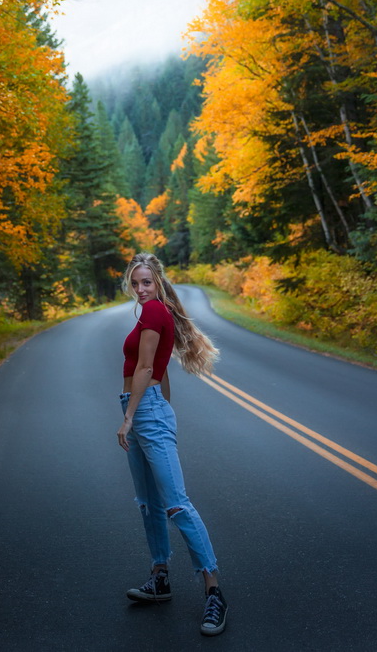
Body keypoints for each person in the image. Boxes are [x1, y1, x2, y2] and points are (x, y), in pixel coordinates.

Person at [117, 252, 228, 636]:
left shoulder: (152, 313)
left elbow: (146, 369)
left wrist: (132, 416)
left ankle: (214, 592)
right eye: (135, 283)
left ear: (158, 281)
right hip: (147, 407)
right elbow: (158, 372)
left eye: (146, 282)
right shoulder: (154, 312)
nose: (141, 289)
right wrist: (159, 407)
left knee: (177, 503)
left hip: (143, 411)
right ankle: (160, 577)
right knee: (149, 503)